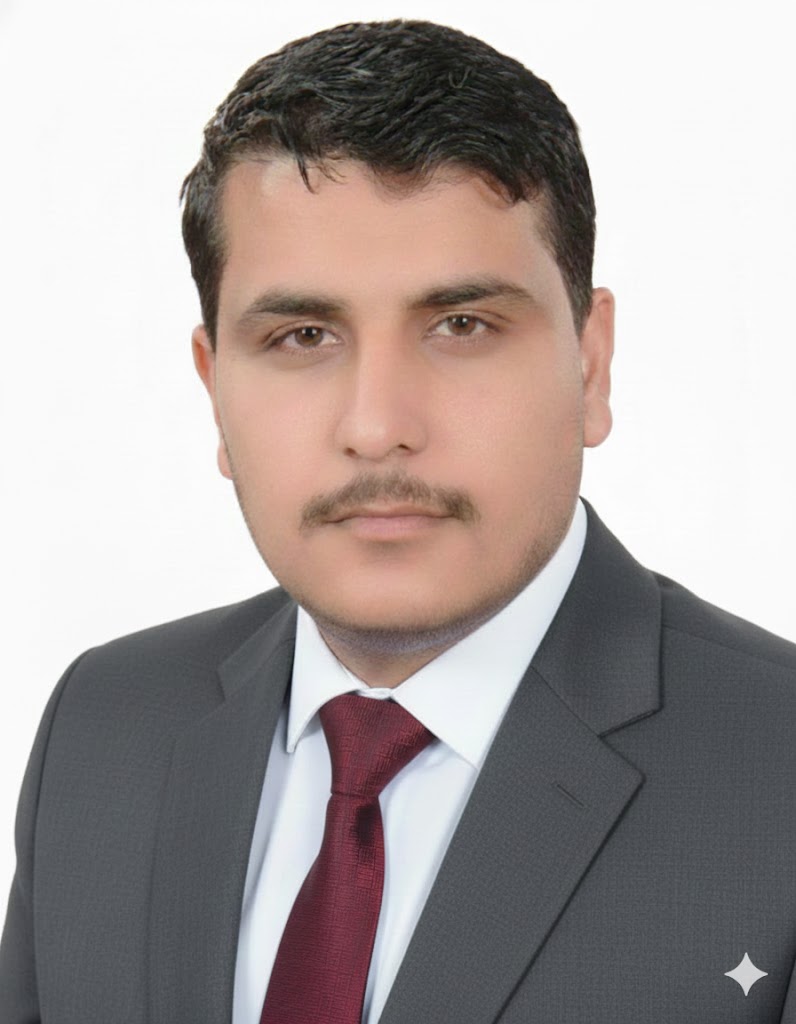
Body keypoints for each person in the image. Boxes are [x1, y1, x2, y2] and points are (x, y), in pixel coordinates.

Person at [2, 16, 795, 1023]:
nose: (377, 427)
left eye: (461, 325)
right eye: (302, 335)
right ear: (214, 387)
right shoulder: (103, 728)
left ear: (590, 366)